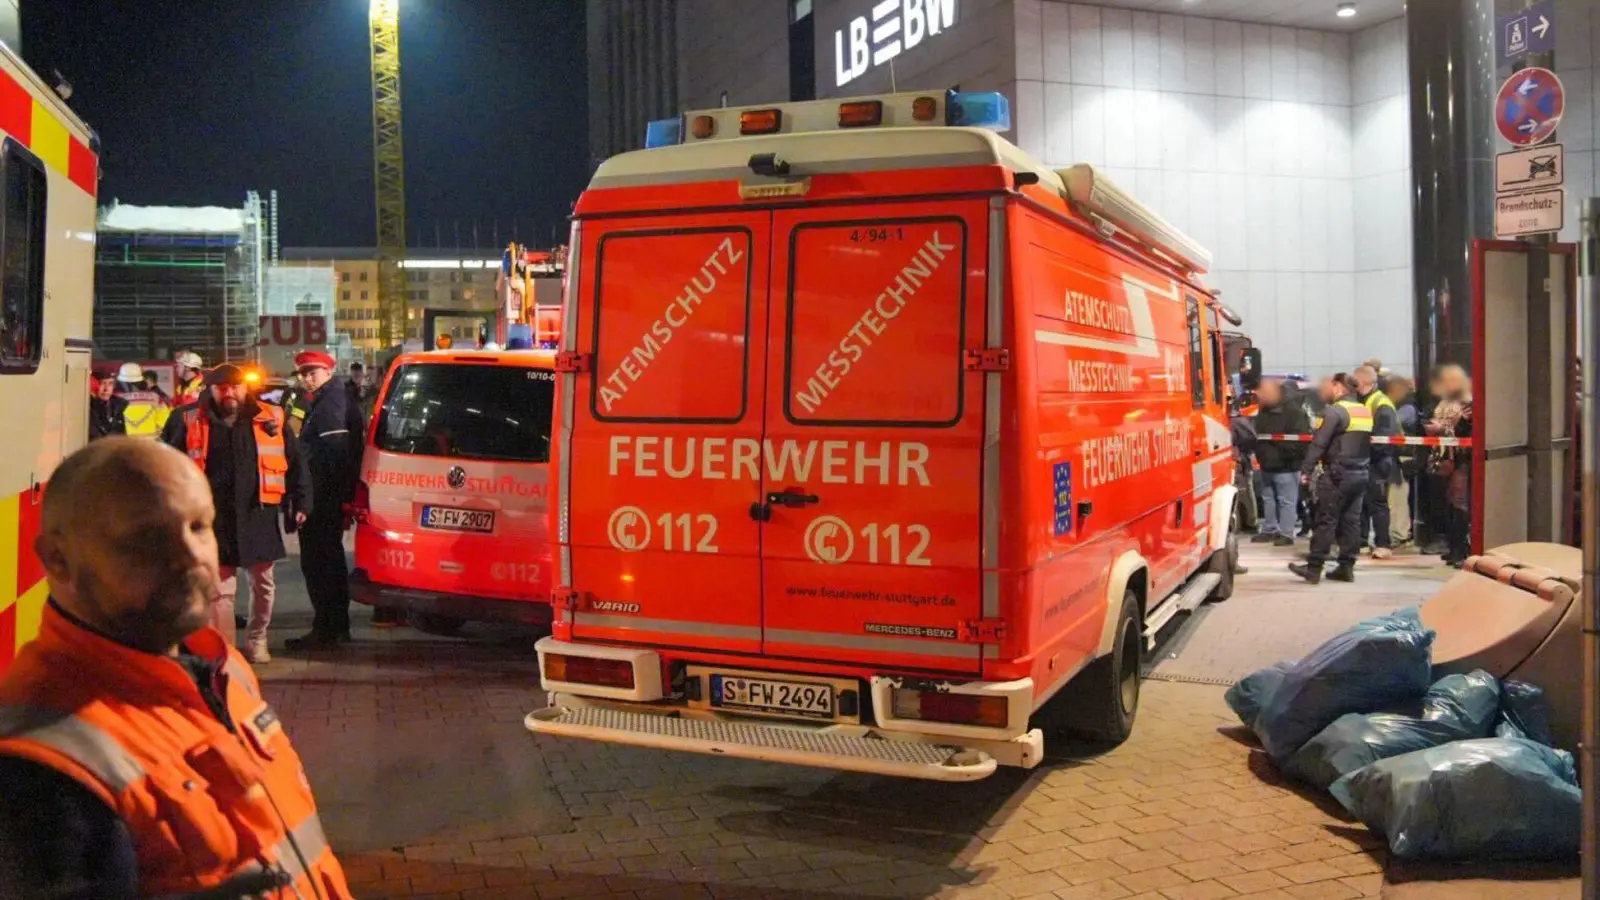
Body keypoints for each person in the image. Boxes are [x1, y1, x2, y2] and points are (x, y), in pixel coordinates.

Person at [0, 438, 354, 899]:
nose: (191, 557)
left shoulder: (222, 668)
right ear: (58, 560)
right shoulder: (37, 768)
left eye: (200, 526)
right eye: (148, 538)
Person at [160, 364, 310, 663]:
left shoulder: (271, 417)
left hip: (258, 514)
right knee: (221, 590)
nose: (230, 392)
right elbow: (167, 465)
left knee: (263, 584)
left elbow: (295, 462)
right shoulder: (187, 418)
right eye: (222, 387)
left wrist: (303, 501)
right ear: (211, 389)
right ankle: (226, 651)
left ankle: (257, 640)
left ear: (246, 388)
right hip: (215, 518)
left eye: (236, 386)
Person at [286, 351, 368, 649]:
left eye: (313, 372)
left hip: (323, 496)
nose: (307, 378)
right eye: (304, 373)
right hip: (326, 494)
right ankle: (334, 627)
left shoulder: (331, 400)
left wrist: (334, 497)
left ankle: (326, 627)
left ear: (329, 371)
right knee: (328, 560)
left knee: (319, 562)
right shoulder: (328, 396)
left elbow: (335, 450)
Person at [1290, 374, 1373, 584]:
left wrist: (1306, 470)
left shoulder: (1335, 411)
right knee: (1351, 522)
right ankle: (1346, 567)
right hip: (1361, 473)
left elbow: (1319, 443)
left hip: (1337, 475)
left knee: (1326, 520)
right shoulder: (1364, 410)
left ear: (1338, 387)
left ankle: (1314, 569)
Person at [1251, 379, 1309, 546]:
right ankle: (1269, 529)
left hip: (1287, 465)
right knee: (1268, 498)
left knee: (1286, 500)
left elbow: (1300, 439)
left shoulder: (1293, 411)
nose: (1260, 396)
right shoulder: (1264, 409)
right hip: (1267, 463)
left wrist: (1282, 453)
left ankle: (1286, 533)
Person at [1427, 364, 1474, 567]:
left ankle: (1460, 550)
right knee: (1448, 502)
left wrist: (1442, 429)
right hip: (1445, 456)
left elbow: (1466, 430)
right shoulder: (1446, 401)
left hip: (1461, 458)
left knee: (1459, 502)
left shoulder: (1468, 401)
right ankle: (1453, 546)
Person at [1353, 366, 1400, 559]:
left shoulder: (1381, 403)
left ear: (1363, 381)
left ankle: (1383, 544)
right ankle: (1362, 541)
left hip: (1378, 461)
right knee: (1362, 503)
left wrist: (1364, 449)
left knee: (1377, 504)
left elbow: (1383, 438)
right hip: (1364, 460)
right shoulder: (1363, 401)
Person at [1386, 376, 1421, 548]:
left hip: (1403, 458)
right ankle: (1399, 532)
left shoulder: (1406, 408)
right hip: (1399, 457)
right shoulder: (1405, 406)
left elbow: (1394, 423)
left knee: (1398, 497)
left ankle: (1400, 533)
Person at [113, 362, 170, 439]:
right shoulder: (155, 397)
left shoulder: (115, 398)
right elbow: (165, 418)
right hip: (149, 444)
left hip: (124, 444)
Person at [88, 376, 127, 440]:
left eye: (110, 384)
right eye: (102, 383)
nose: (106, 389)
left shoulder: (121, 406)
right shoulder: (85, 409)